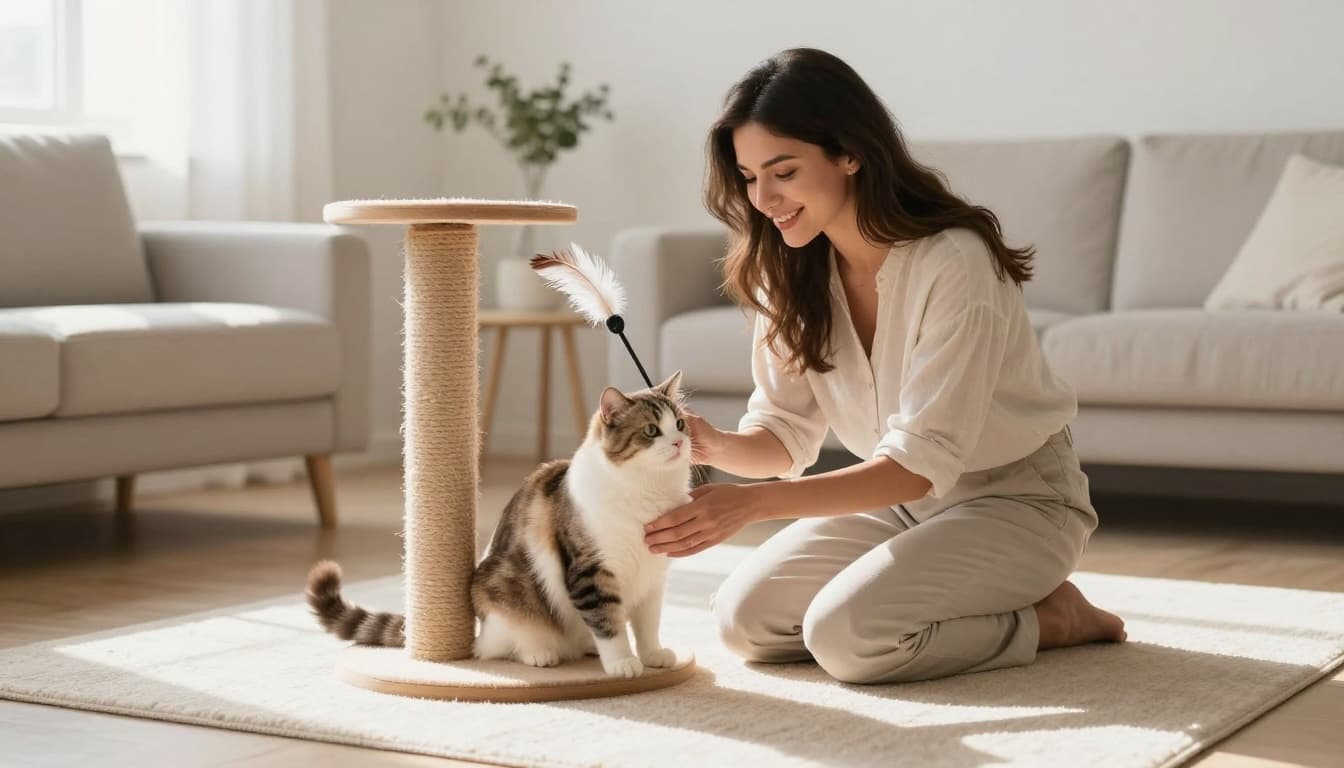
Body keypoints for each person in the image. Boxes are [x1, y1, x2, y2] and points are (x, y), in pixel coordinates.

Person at [642, 48, 1126, 685]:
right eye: (749, 176)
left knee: (849, 639)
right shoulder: (789, 271)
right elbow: (784, 435)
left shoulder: (954, 262)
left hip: (1018, 501)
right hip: (898, 504)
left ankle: (1055, 618)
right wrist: (712, 443)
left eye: (783, 171)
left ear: (849, 152)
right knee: (745, 623)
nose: (763, 198)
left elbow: (916, 464)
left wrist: (752, 506)